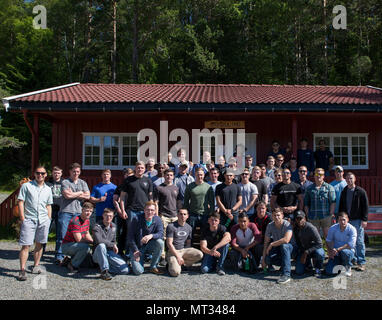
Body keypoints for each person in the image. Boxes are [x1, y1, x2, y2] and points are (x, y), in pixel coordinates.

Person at [17, 166, 53, 281]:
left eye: (42, 173)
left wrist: (49, 218)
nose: (40, 175)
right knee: (26, 245)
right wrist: (23, 218)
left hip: (43, 220)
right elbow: (21, 201)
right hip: (29, 219)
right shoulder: (26, 186)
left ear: (46, 175)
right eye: (38, 173)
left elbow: (48, 205)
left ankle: (36, 266)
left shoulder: (48, 189)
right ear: (34, 174)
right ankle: (22, 270)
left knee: (40, 244)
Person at [56, 163, 90, 265]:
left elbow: (87, 195)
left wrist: (74, 194)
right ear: (70, 171)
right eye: (74, 171)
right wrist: (80, 193)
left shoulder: (83, 183)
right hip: (66, 212)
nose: (76, 173)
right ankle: (59, 256)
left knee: (77, 236)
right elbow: (67, 195)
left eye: (78, 172)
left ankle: (72, 257)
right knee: (62, 234)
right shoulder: (65, 182)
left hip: (78, 213)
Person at [338, 172, 369, 271]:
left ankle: (361, 262)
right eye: (347, 179)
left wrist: (364, 219)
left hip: (358, 220)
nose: (349, 180)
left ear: (354, 179)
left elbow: (365, 206)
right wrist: (340, 217)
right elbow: (341, 206)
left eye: (351, 178)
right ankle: (353, 259)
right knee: (350, 242)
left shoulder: (360, 191)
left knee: (359, 241)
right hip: (347, 220)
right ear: (345, 180)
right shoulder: (344, 191)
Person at [127, 201, 165, 275]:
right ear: (144, 210)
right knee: (138, 271)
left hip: (149, 246)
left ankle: (153, 267)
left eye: (152, 210)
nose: (149, 212)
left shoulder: (157, 219)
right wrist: (135, 250)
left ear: (155, 211)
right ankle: (135, 261)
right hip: (137, 248)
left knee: (160, 242)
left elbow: (161, 233)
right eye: (147, 210)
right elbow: (130, 237)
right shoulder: (136, 219)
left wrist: (151, 236)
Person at [92, 208, 130, 280]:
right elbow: (99, 241)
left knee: (125, 270)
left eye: (110, 216)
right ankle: (104, 272)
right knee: (102, 245)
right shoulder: (96, 226)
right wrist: (113, 245)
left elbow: (114, 240)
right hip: (97, 253)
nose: (108, 218)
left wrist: (114, 244)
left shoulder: (113, 226)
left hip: (109, 252)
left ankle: (104, 267)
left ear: (113, 217)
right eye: (106, 215)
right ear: (103, 215)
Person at [261, 208, 295, 284]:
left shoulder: (287, 224)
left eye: (278, 215)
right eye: (274, 215)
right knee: (267, 259)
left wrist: (272, 244)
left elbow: (286, 240)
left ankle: (286, 275)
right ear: (272, 216)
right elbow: (266, 243)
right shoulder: (270, 225)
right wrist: (263, 260)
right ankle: (282, 265)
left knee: (284, 246)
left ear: (282, 215)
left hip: (291, 249)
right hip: (279, 249)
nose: (276, 217)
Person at [166, 209, 203, 277]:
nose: (182, 216)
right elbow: (169, 244)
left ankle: (182, 264)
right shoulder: (171, 226)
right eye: (181, 214)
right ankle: (171, 263)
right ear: (177, 215)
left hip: (183, 250)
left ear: (187, 216)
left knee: (199, 254)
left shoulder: (189, 227)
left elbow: (188, 243)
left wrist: (184, 254)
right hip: (173, 251)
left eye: (184, 214)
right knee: (175, 273)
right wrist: (178, 256)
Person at [154, 169, 180, 263]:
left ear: (173, 176)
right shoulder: (159, 188)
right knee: (163, 237)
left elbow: (178, 202)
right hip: (163, 215)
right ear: (164, 176)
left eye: (171, 175)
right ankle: (162, 256)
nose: (169, 177)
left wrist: (179, 213)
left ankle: (173, 254)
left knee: (174, 237)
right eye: (167, 175)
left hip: (174, 215)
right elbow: (156, 203)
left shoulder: (176, 188)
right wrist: (157, 216)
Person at [61, 201, 94, 274]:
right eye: (87, 211)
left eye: (91, 211)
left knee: (88, 261)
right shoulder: (75, 221)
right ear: (82, 210)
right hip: (67, 246)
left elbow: (87, 233)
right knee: (86, 247)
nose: (88, 213)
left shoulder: (87, 220)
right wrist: (91, 242)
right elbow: (79, 239)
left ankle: (68, 260)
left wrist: (94, 242)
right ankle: (72, 265)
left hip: (75, 245)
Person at [304, 168, 336, 239]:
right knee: (315, 237)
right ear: (314, 176)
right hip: (313, 216)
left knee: (328, 237)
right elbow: (306, 203)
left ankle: (329, 250)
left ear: (323, 176)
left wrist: (330, 214)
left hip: (326, 216)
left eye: (320, 174)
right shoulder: (309, 188)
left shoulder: (329, 187)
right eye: (317, 174)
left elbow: (333, 202)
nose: (318, 176)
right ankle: (317, 250)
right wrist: (308, 215)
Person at [120, 161, 154, 226]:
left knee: (144, 231)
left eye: (142, 168)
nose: (140, 169)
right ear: (135, 168)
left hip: (145, 210)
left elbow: (151, 198)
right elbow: (122, 197)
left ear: (145, 169)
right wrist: (123, 211)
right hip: (131, 210)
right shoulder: (128, 180)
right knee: (131, 232)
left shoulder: (148, 180)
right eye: (138, 168)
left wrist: (152, 210)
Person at [183, 167, 215, 234]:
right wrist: (186, 213)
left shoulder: (208, 187)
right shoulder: (190, 186)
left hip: (205, 214)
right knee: (190, 232)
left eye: (201, 175)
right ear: (195, 175)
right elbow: (186, 201)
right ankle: (189, 244)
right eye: (198, 175)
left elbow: (212, 203)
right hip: (192, 214)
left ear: (204, 175)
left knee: (205, 233)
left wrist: (211, 214)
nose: (199, 176)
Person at [293, 211, 325, 277]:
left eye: (300, 218)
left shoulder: (311, 228)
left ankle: (318, 268)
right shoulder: (295, 228)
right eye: (297, 219)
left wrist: (306, 252)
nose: (299, 221)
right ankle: (308, 264)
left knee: (320, 253)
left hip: (314, 249)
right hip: (304, 250)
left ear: (304, 218)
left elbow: (320, 244)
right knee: (299, 272)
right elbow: (298, 243)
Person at [325, 212, 357, 277]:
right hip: (335, 252)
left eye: (344, 219)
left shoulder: (352, 229)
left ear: (347, 219)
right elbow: (328, 241)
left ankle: (348, 266)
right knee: (329, 272)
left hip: (348, 251)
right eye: (340, 220)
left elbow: (350, 245)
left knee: (345, 252)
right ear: (338, 221)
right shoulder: (333, 228)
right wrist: (330, 252)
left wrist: (338, 249)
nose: (342, 222)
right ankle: (341, 264)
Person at [44, 166, 63, 255]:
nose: (56, 174)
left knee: (60, 232)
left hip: (60, 209)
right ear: (52, 173)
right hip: (49, 209)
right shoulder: (47, 183)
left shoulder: (64, 183)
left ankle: (58, 251)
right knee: (45, 230)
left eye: (58, 173)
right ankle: (41, 250)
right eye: (55, 173)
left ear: (61, 173)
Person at [113, 168, 131, 257]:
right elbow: (115, 200)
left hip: (130, 212)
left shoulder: (134, 185)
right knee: (120, 232)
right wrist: (120, 211)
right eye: (126, 174)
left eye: (130, 175)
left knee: (129, 232)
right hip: (120, 213)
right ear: (124, 176)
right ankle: (120, 251)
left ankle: (128, 252)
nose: (128, 176)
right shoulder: (120, 187)